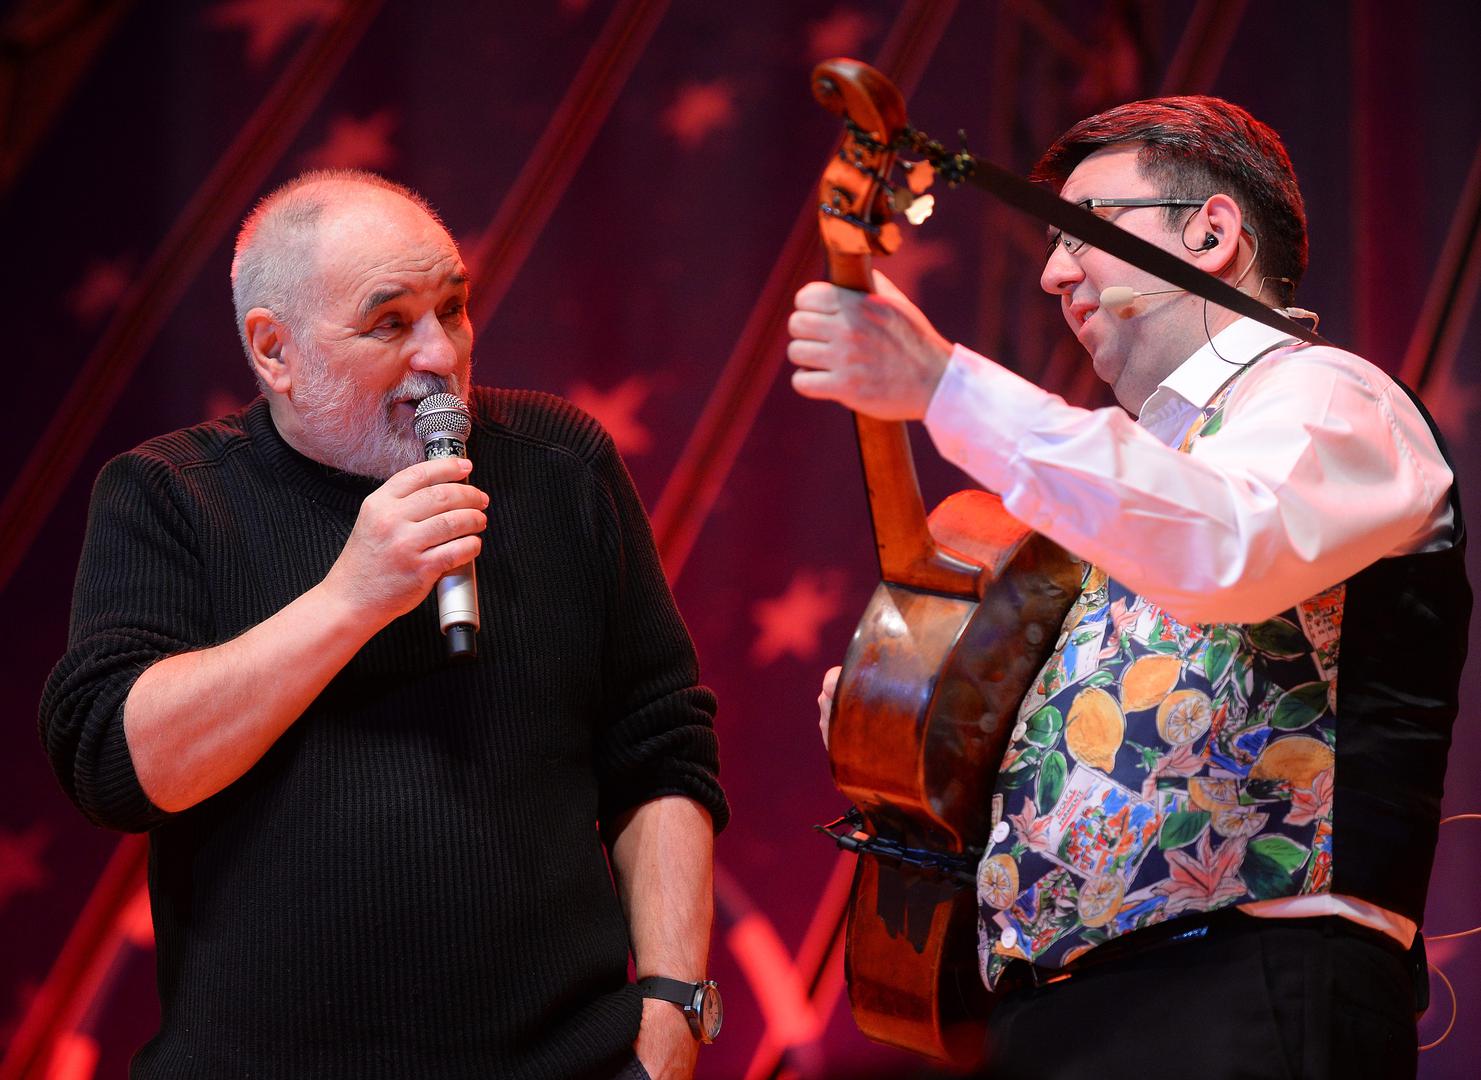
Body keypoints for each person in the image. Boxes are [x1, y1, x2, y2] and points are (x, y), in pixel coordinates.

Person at [788, 96, 1467, 1078]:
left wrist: (945, 385)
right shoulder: (1122, 490)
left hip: (1241, 986)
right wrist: (904, 718)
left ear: (1209, 233)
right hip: (1054, 1012)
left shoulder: (1329, 393)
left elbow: (1228, 548)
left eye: (1083, 233)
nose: (1052, 273)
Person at [39, 170, 727, 1080]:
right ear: (275, 351)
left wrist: (674, 1008)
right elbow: (116, 770)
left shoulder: (560, 464)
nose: (440, 354)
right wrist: (351, 597)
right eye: (390, 323)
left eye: (453, 308)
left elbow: (661, 748)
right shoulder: (172, 495)